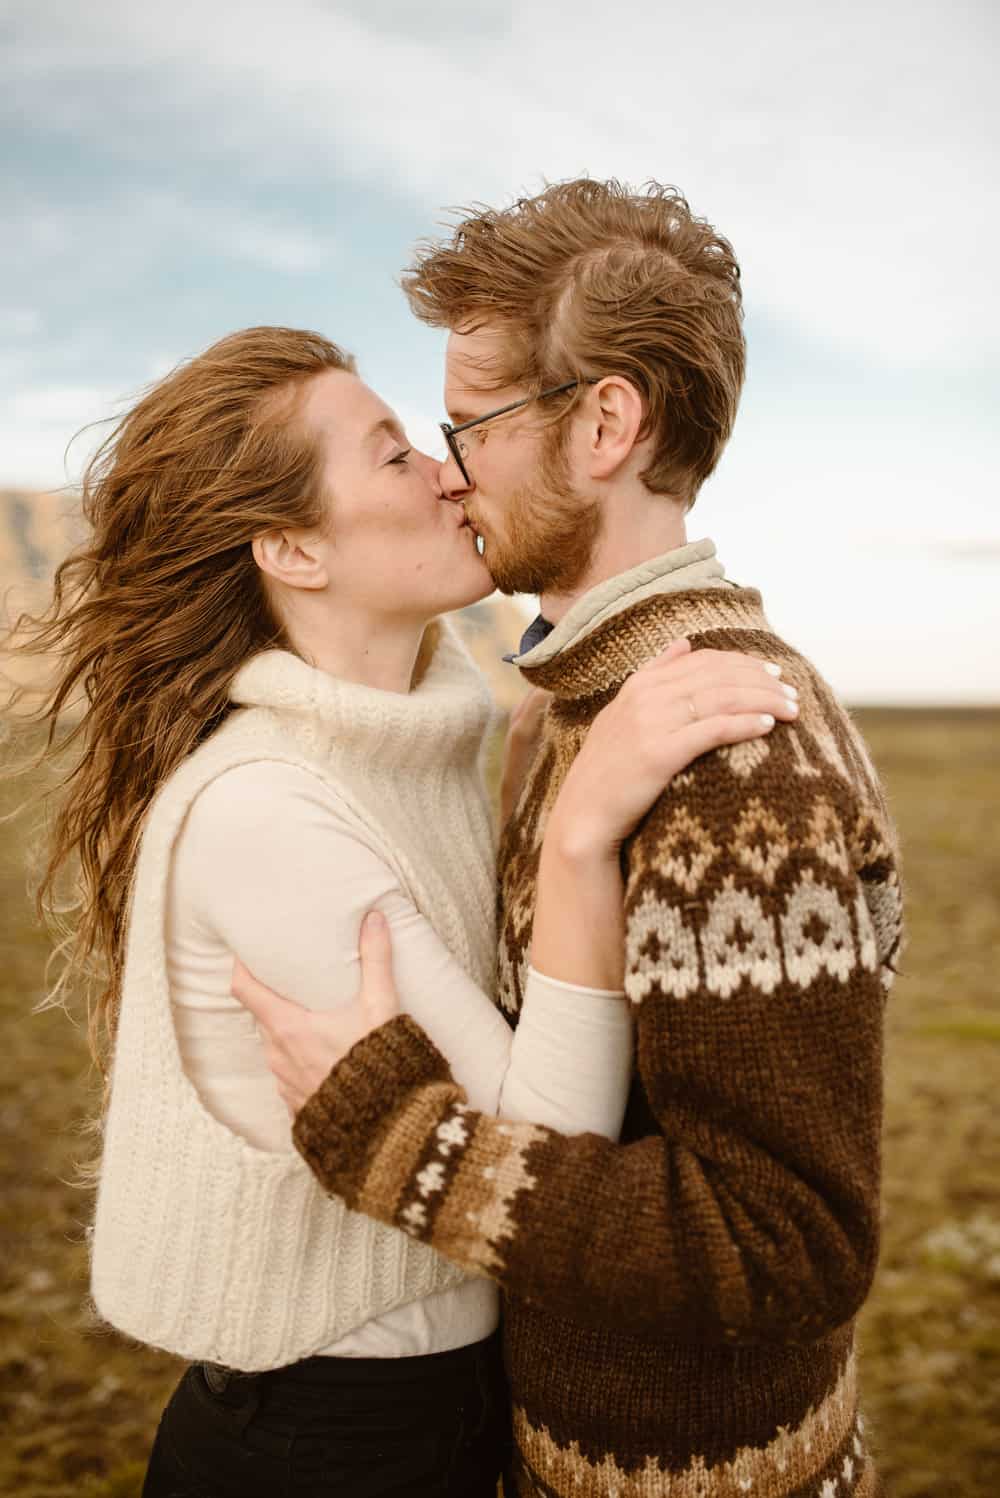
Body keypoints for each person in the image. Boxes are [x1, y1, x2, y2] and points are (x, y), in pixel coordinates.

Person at [5, 324, 795, 1498]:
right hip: (325, 1443)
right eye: (391, 455)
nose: (446, 470)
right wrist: (579, 834)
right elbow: (544, 1147)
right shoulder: (266, 807)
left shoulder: (415, 746)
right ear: (293, 549)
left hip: (439, 1409)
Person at [232, 181, 904, 1498]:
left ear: (604, 423)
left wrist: (406, 1143)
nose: (446, 471)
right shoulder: (581, 708)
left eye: (468, 426)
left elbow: (787, 1252)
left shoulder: (731, 758)